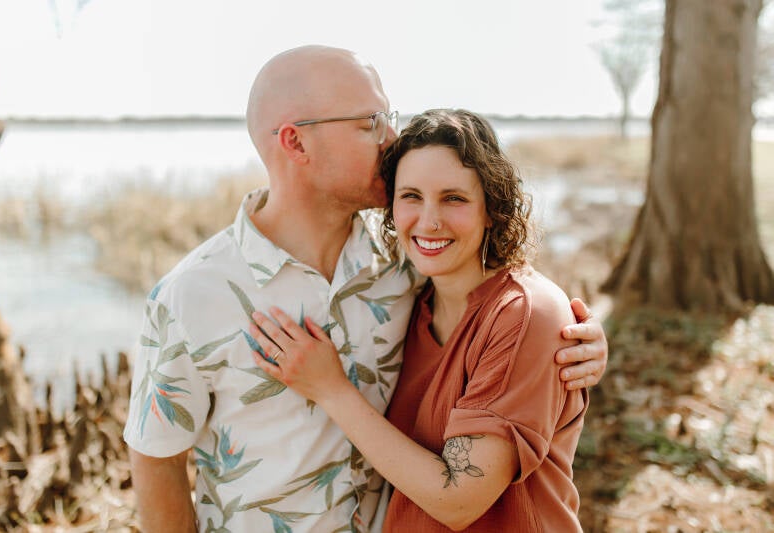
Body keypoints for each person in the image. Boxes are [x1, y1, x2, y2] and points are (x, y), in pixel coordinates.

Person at [124, 46, 607, 533]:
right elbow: (157, 457)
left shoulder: (402, 259)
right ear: (295, 142)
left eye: (388, 118)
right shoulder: (192, 295)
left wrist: (573, 338)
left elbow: (500, 295)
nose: (391, 139)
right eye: (370, 122)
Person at [249, 109, 589, 532]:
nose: (429, 221)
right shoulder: (409, 301)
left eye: (454, 198)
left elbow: (459, 501)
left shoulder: (522, 313)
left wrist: (331, 390)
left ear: (491, 208)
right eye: (411, 196)